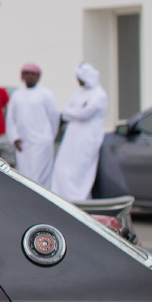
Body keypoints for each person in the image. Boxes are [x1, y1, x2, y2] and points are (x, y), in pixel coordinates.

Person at [50, 63, 108, 201]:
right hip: (71, 137)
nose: (78, 81)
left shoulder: (99, 94)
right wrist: (74, 112)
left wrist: (72, 112)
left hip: (87, 139)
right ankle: (63, 198)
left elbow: (84, 114)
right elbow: (66, 112)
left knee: (80, 170)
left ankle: (80, 199)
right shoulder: (79, 93)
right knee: (62, 167)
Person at [8, 63, 59, 184]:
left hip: (41, 143)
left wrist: (48, 138)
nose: (30, 76)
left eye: (33, 74)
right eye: (27, 73)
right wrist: (15, 138)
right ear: (22, 76)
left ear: (38, 77)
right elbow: (10, 119)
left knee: (40, 177)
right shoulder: (16, 95)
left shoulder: (46, 95)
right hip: (23, 144)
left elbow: (54, 118)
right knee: (25, 176)